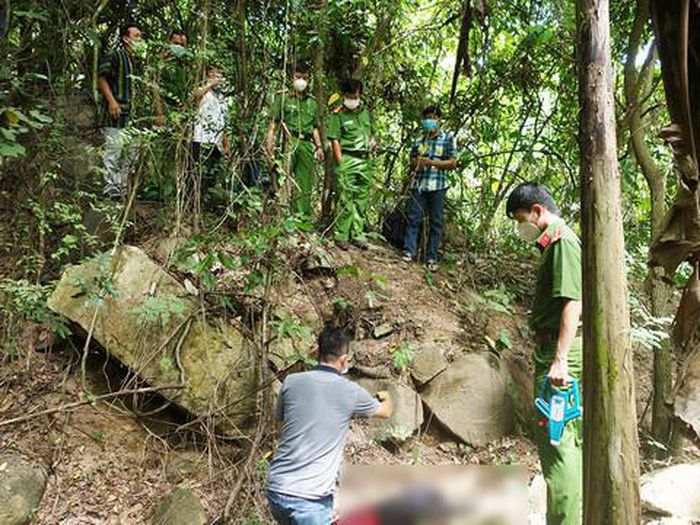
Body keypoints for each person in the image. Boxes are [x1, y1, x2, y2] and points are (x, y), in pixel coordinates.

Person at [505, 182, 582, 525]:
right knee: (561, 446)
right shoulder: (553, 244)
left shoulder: (563, 241)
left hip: (560, 354)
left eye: (520, 219)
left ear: (537, 211)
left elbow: (572, 301)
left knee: (558, 443)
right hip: (552, 349)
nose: (519, 227)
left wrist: (561, 359)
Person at [267, 324, 393, 525]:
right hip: (310, 500)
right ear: (344, 360)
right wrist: (386, 397)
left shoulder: (291, 382)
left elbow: (282, 426)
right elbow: (385, 412)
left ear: (317, 352)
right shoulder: (350, 391)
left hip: (276, 490)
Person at [401, 105, 457, 272]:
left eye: (433, 118)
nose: (429, 121)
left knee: (436, 222)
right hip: (419, 184)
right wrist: (416, 163)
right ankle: (409, 252)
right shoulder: (419, 141)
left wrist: (432, 163)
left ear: (438, 119)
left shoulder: (447, 138)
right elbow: (411, 164)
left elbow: (453, 162)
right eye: (427, 118)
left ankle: (431, 257)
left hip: (438, 186)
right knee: (413, 219)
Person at [265, 61, 325, 216]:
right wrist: (269, 145)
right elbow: (273, 124)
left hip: (306, 143)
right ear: (291, 77)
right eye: (298, 77)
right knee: (282, 178)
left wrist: (319, 147)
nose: (301, 81)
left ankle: (301, 218)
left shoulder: (312, 102)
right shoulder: (283, 97)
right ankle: (281, 216)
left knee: (304, 182)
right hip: (288, 142)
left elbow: (314, 128)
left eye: (305, 78)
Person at [97, 23, 144, 199]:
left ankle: (123, 188)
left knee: (132, 153)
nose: (139, 39)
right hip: (116, 113)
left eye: (140, 36)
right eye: (136, 36)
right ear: (126, 38)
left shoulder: (138, 62)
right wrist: (112, 101)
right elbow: (101, 78)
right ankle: (110, 189)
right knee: (113, 151)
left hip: (134, 116)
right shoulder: (116, 56)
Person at [327, 79, 374, 250]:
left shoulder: (365, 113)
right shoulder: (337, 115)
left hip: (365, 161)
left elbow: (370, 133)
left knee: (361, 199)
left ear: (360, 95)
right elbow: (335, 140)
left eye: (354, 96)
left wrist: (372, 143)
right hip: (347, 158)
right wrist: (340, 163)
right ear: (343, 96)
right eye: (348, 96)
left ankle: (357, 234)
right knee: (345, 198)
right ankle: (341, 235)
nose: (352, 99)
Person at [191, 65, 230, 204]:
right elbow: (195, 96)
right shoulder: (204, 92)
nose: (216, 75)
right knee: (198, 173)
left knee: (213, 175)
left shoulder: (222, 97)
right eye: (212, 72)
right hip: (201, 139)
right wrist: (210, 84)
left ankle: (208, 204)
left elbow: (223, 121)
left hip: (216, 142)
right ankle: (195, 203)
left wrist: (226, 143)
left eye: (219, 73)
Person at [153, 29, 191, 127]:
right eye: (176, 43)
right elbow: (154, 87)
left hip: (181, 112)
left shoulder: (185, 65)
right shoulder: (160, 63)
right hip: (165, 109)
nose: (178, 47)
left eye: (182, 45)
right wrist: (159, 113)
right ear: (169, 43)